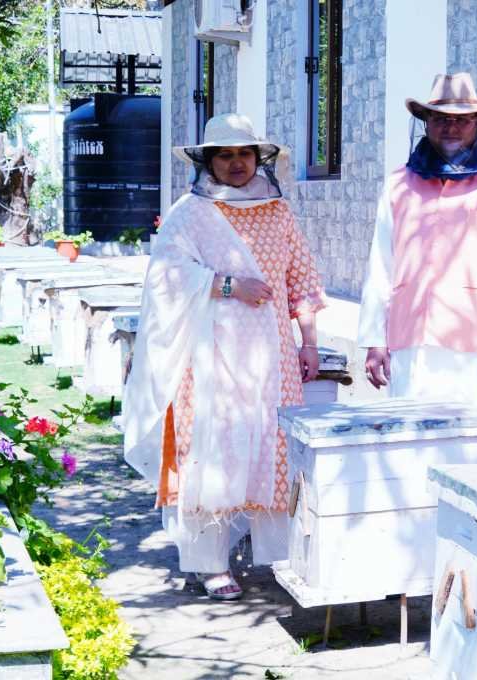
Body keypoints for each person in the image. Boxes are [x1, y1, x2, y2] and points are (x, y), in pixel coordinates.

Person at [122, 114, 326, 600]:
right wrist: (228, 285)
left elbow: (301, 279)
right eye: (225, 155)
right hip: (207, 359)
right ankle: (209, 563)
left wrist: (310, 342)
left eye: (244, 154)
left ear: (259, 158)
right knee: (211, 450)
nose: (236, 163)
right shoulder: (190, 213)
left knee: (273, 448)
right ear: (208, 162)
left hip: (272, 357)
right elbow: (166, 277)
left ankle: (279, 557)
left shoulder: (277, 212)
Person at [358, 72, 477, 452]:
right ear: (426, 122)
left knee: (473, 449)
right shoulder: (398, 183)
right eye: (441, 118)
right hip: (412, 341)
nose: (451, 127)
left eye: (462, 119)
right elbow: (381, 263)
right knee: (411, 447)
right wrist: (374, 340)